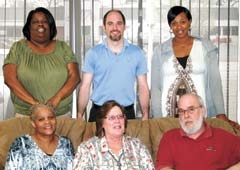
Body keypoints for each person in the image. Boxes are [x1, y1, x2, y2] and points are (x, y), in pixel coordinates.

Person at [150, 5, 239, 128]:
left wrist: (220, 113)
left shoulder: (205, 47)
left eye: (183, 22)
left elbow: (215, 82)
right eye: (174, 23)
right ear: (170, 26)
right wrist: (157, 119)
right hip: (168, 118)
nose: (179, 27)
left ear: (190, 22)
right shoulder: (159, 51)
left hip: (200, 116)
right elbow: (156, 89)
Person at [3, 7, 80, 117]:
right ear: (29, 27)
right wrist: (35, 104)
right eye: (35, 22)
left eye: (44, 21)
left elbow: (75, 77)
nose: (40, 25)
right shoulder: (18, 48)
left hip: (60, 116)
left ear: (50, 26)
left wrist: (55, 100)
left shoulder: (63, 48)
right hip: (26, 116)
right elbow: (9, 79)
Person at [77, 9, 150, 122]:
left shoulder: (137, 53)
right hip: (99, 113)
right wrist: (79, 114)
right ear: (104, 27)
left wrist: (145, 114)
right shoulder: (93, 54)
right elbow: (85, 86)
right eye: (110, 23)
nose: (115, 27)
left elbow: (143, 86)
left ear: (124, 26)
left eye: (119, 23)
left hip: (127, 113)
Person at [155, 93, 240, 170]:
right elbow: (163, 167)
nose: (186, 115)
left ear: (203, 111)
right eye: (181, 111)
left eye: (191, 109)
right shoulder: (169, 137)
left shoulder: (223, 137)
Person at [73, 100, 154, 169]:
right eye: (112, 118)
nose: (117, 121)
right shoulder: (87, 149)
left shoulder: (138, 147)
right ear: (102, 123)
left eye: (120, 117)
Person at [5, 103, 75, 169]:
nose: (47, 122)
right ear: (33, 123)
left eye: (51, 118)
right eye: (41, 119)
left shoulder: (66, 143)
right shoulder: (21, 143)